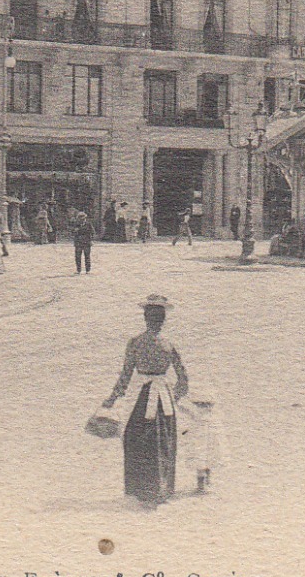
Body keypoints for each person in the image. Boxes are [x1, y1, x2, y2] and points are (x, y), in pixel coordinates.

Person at [102, 295, 188, 507]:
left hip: (141, 399)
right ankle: (163, 489)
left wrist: (112, 399)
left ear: (145, 318)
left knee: (137, 440)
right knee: (163, 443)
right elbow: (183, 380)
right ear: (163, 320)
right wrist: (172, 396)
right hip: (163, 401)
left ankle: (140, 490)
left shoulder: (135, 343)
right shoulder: (169, 345)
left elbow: (125, 376)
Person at [177, 387, 226, 495]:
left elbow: (186, 412)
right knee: (207, 460)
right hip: (207, 443)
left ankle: (201, 486)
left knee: (201, 462)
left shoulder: (199, 415)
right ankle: (206, 483)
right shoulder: (213, 417)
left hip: (201, 443)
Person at [71, 209, 94, 274]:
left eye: (82, 218)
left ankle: (88, 270)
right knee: (78, 257)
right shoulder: (76, 224)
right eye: (80, 218)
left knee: (87, 256)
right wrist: (75, 231)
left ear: (85, 218)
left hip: (87, 242)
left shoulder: (89, 224)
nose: (81, 220)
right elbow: (72, 232)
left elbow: (92, 232)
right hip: (78, 242)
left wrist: (91, 240)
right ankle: (78, 270)